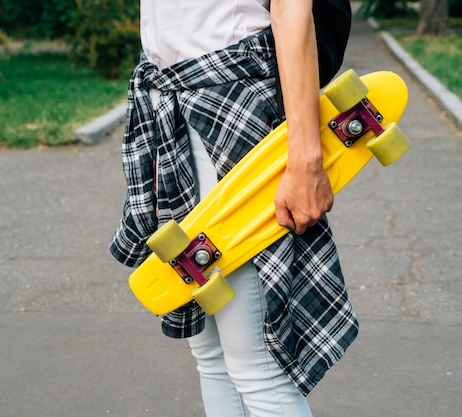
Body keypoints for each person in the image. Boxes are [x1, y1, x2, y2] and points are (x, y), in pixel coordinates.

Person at [110, 1, 359, 416]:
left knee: (256, 362)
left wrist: (305, 162)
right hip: (173, 109)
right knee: (211, 355)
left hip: (231, 104)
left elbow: (291, 10)